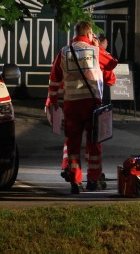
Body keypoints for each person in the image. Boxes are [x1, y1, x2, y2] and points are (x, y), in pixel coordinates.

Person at [47, 20, 116, 194]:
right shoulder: (94, 51)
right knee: (94, 143)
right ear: (89, 33)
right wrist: (98, 47)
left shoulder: (63, 52)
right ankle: (93, 179)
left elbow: (54, 78)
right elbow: (112, 64)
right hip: (91, 104)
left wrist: (53, 100)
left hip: (71, 104)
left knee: (73, 144)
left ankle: (75, 182)